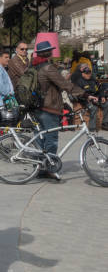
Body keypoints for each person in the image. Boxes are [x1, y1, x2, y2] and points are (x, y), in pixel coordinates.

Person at [36, 41, 91, 180]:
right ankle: (50, 169)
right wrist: (84, 94)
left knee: (42, 140)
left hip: (39, 106)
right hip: (50, 107)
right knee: (51, 140)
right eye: (51, 51)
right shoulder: (48, 68)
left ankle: (41, 168)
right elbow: (65, 84)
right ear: (48, 52)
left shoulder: (35, 65)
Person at [73, 62, 108, 131]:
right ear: (83, 74)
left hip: (96, 98)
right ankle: (92, 128)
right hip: (85, 100)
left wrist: (103, 96)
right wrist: (88, 98)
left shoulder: (93, 80)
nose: (89, 75)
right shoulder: (79, 81)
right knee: (94, 109)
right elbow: (79, 94)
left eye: (89, 73)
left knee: (106, 104)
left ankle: (105, 123)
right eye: (87, 73)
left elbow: (100, 89)